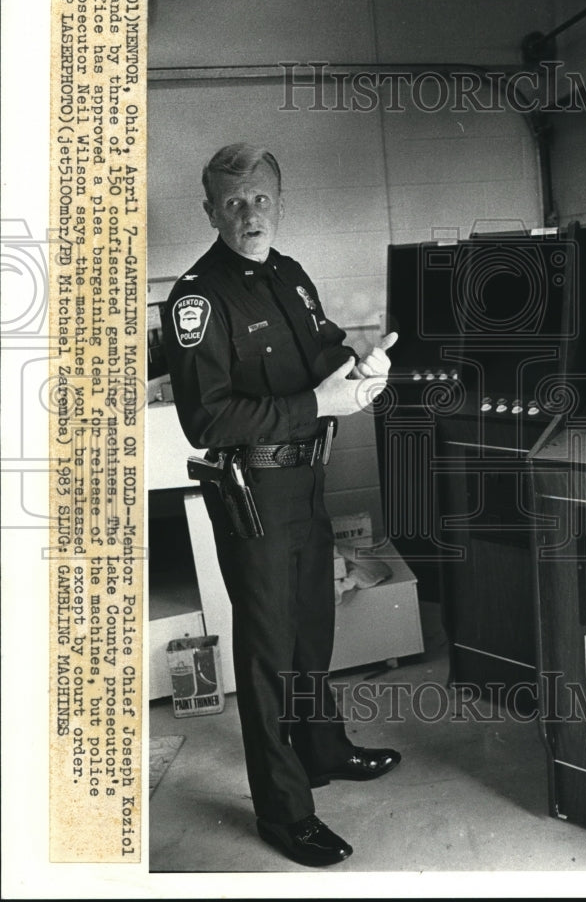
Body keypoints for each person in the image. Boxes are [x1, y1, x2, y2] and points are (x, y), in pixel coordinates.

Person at [163, 142, 401, 868]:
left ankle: (324, 749)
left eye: (260, 198)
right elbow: (208, 419)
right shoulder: (198, 299)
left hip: (306, 482)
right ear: (211, 212)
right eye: (233, 202)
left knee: (312, 630)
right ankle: (283, 811)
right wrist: (315, 402)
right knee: (269, 653)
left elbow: (325, 351)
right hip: (255, 493)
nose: (249, 213)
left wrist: (363, 367)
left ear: (279, 202)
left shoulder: (290, 278)